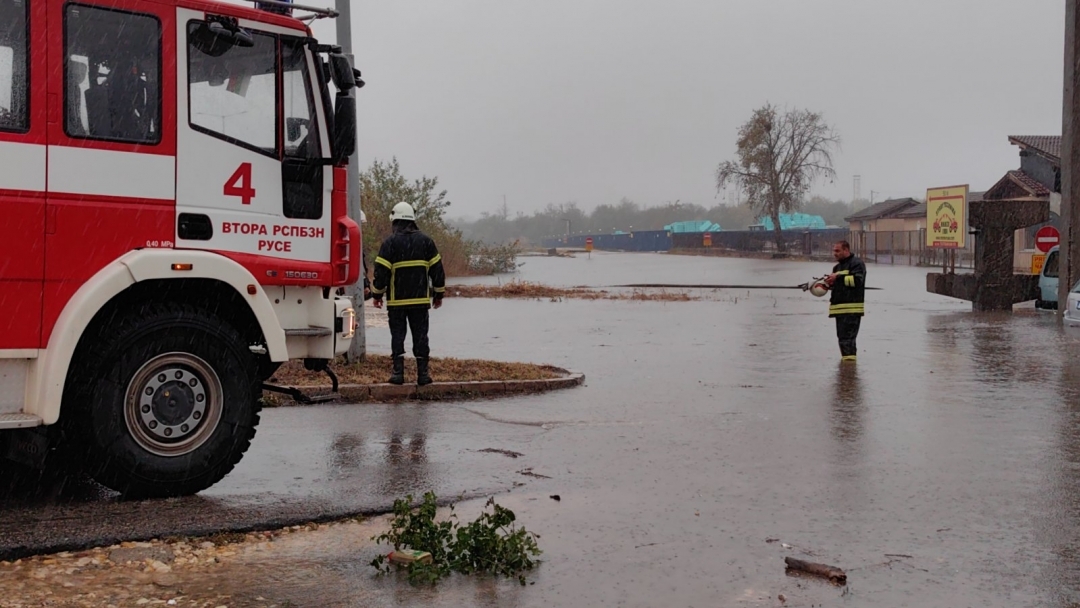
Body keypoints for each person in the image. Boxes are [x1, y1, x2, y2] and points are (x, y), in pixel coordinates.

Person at [370, 202, 446, 385]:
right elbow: (437, 271)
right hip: (420, 302)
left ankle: (398, 375)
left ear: (395, 221)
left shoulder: (390, 243)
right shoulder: (426, 242)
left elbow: (381, 273)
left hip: (397, 303)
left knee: (398, 336)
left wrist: (377, 295)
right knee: (421, 337)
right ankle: (423, 375)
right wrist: (438, 294)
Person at [824, 240, 866, 362]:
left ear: (846, 250)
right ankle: (846, 370)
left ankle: (849, 370)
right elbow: (839, 286)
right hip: (839, 310)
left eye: (837, 251)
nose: (834, 253)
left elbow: (857, 281)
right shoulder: (837, 267)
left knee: (848, 340)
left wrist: (838, 277)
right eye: (834, 251)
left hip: (852, 309)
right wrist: (828, 283)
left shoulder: (857, 264)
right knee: (842, 339)